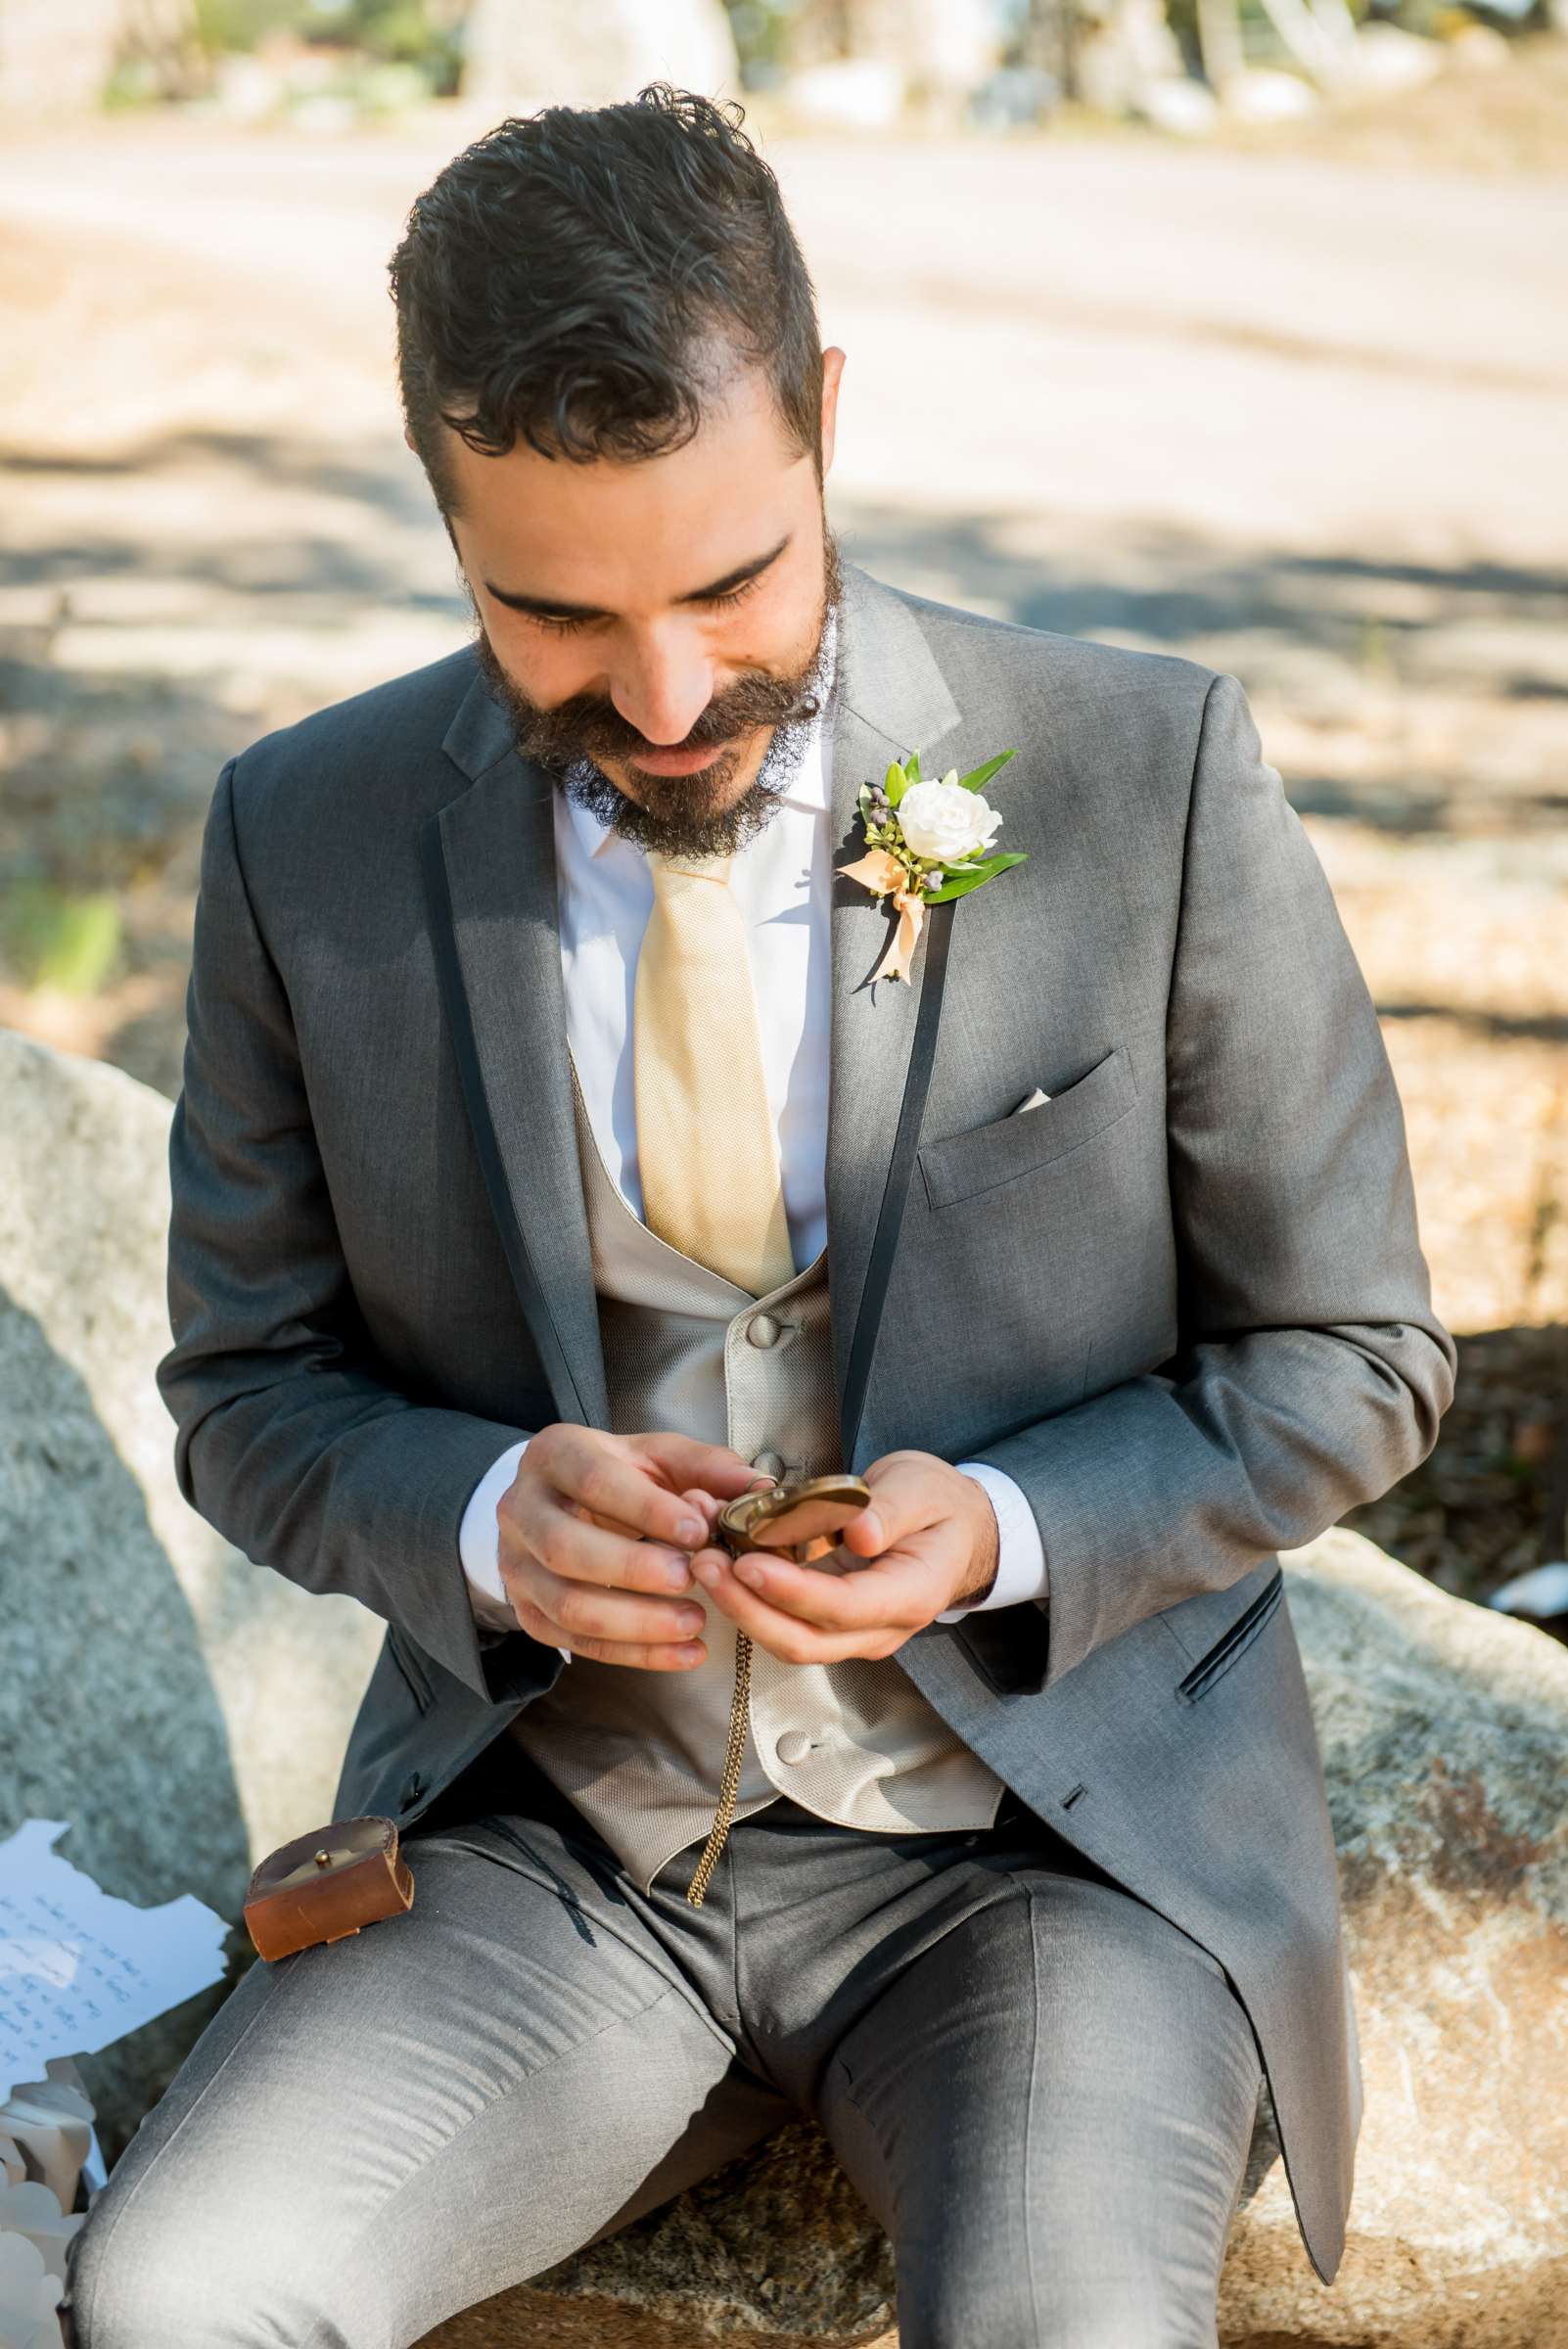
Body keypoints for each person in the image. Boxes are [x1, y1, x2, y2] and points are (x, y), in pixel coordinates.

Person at [65, 82, 1454, 2349]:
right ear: (441, 511)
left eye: (734, 579)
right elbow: (249, 1391)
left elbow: (1361, 1359)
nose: (670, 693)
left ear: (822, 418)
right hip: (552, 1858)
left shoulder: (1140, 770)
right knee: (180, 2288)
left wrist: (1003, 1526)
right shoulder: (296, 841)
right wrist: (490, 1504)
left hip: (1053, 1860)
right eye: (557, 614)